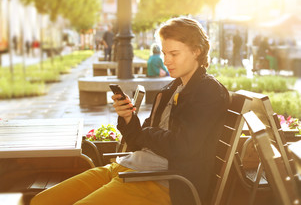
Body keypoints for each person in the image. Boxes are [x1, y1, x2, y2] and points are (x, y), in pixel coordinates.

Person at [30, 17, 229, 205]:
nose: (166, 60)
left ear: (196, 51)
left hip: (163, 182)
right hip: (131, 168)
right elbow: (138, 140)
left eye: (174, 54)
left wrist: (146, 133)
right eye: (164, 53)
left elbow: (182, 147)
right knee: (42, 201)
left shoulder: (207, 91)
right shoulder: (171, 89)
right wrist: (127, 117)